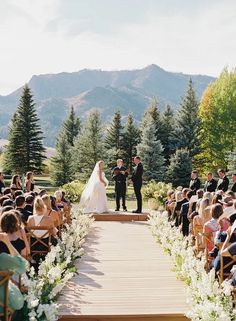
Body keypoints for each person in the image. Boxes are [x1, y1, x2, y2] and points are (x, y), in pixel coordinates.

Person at [0, 232, 28, 315]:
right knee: (20, 304)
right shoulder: (2, 258)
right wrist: (8, 243)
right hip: (3, 306)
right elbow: (24, 264)